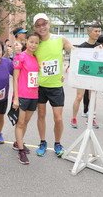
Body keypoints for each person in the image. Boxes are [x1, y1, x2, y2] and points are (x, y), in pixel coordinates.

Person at [33, 13, 74, 157]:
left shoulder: (60, 39)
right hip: (39, 86)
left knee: (58, 118)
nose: (42, 27)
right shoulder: (35, 43)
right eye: (38, 25)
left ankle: (57, 143)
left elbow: (74, 51)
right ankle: (43, 142)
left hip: (56, 86)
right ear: (35, 28)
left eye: (44, 24)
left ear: (49, 24)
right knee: (41, 116)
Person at [12, 33, 40, 164]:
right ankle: (21, 151)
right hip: (22, 95)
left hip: (33, 96)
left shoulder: (36, 59)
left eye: (36, 43)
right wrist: (15, 98)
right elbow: (15, 78)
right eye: (31, 42)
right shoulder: (20, 57)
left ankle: (18, 143)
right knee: (20, 123)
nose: (33, 45)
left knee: (26, 122)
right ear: (26, 42)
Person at [70, 25, 102, 129]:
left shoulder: (100, 47)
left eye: (99, 31)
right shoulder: (82, 46)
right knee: (79, 97)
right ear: (89, 33)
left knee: (93, 97)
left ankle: (91, 118)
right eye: (95, 31)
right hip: (83, 75)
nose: (98, 33)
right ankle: (74, 118)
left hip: (94, 76)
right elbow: (76, 61)